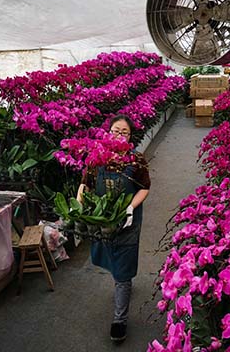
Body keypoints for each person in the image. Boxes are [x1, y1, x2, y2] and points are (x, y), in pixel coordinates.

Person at [78, 115, 150, 342]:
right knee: (111, 258)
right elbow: (85, 184)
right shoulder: (96, 158)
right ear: (107, 132)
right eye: (115, 131)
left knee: (123, 268)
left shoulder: (135, 160)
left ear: (130, 137)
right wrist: (80, 205)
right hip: (103, 220)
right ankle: (123, 283)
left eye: (124, 132)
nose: (119, 135)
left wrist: (130, 207)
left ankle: (120, 320)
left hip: (128, 219)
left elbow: (145, 188)